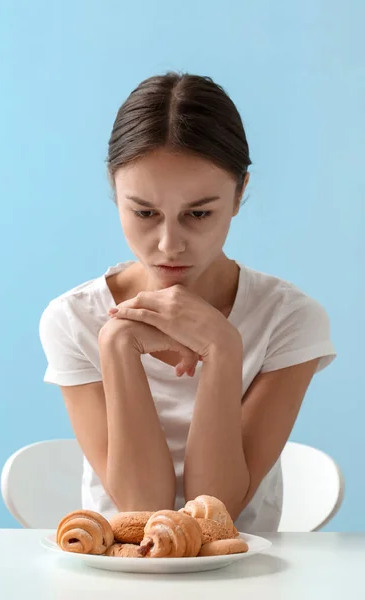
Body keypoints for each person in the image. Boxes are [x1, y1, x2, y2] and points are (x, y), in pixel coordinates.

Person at [39, 72, 336, 533]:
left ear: (239, 194)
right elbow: (141, 512)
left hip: (243, 576)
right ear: (114, 193)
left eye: (198, 213)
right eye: (144, 213)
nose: (169, 244)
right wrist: (117, 344)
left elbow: (215, 513)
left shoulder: (289, 319)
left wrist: (223, 350)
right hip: (124, 575)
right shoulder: (74, 318)